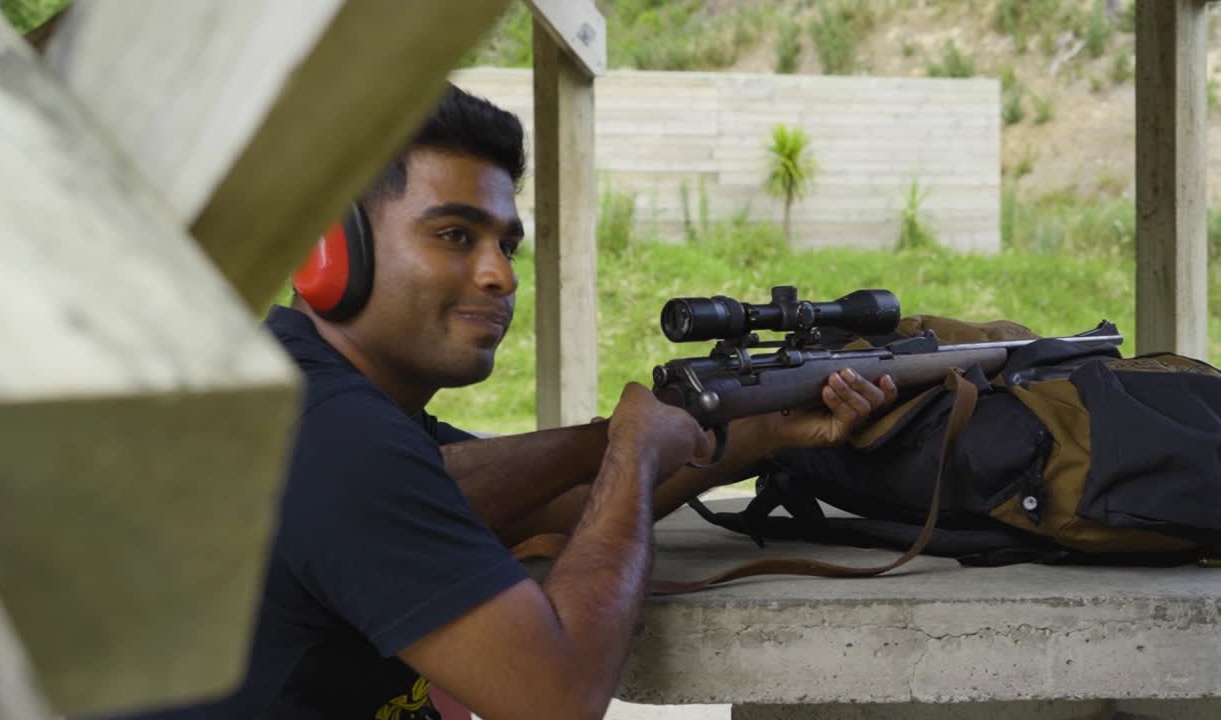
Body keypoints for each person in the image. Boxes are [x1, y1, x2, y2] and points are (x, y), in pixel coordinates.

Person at [130, 84, 896, 720]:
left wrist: (753, 432)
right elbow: (555, 699)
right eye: (456, 236)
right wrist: (630, 454)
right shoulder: (339, 439)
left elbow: (548, 508)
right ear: (327, 254)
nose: (500, 275)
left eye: (507, 245)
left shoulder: (298, 388)